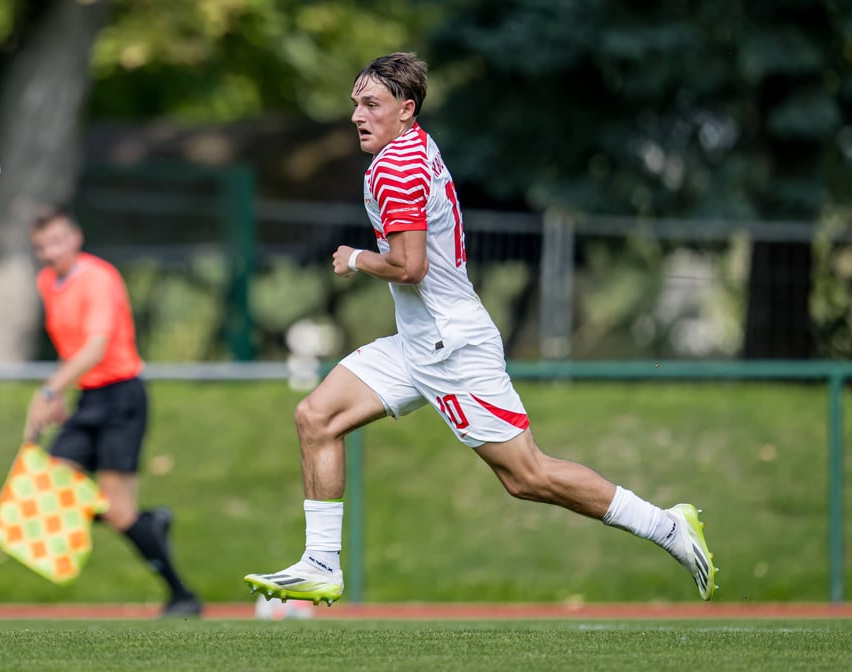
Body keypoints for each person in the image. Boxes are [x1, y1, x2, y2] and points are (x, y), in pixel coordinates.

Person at [243, 52, 717, 605]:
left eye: (371, 104)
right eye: (355, 103)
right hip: (422, 341)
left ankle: (668, 525)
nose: (357, 115)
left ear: (406, 109)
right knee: (317, 416)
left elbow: (408, 265)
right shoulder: (413, 146)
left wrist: (354, 259)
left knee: (527, 476)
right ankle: (321, 564)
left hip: (450, 347)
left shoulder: (395, 167)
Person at [25, 206, 202, 617]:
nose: (49, 253)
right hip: (88, 399)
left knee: (118, 511)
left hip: (122, 398)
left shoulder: (99, 278)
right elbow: (71, 348)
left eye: (55, 241)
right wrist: (64, 396)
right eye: (40, 247)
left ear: (75, 238)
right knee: (52, 494)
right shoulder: (48, 282)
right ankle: (150, 523)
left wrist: (50, 390)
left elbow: (96, 347)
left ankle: (182, 595)